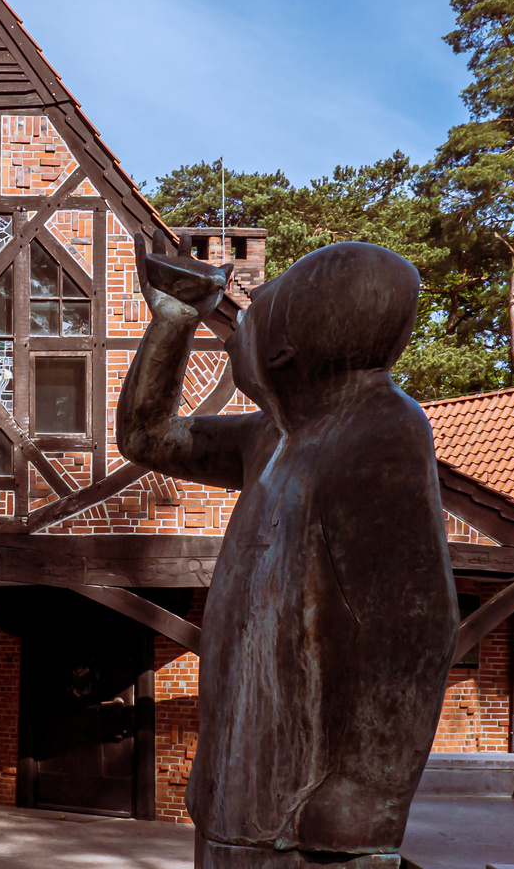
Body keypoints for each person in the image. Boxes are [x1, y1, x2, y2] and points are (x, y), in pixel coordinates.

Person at [117, 239, 456, 868]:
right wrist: (172, 318)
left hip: (306, 814)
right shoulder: (274, 435)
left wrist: (367, 789)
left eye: (255, 307)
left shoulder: (382, 431)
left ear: (283, 350)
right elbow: (147, 436)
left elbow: (413, 627)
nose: (239, 317)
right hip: (242, 790)